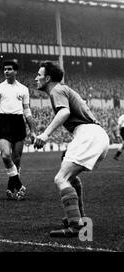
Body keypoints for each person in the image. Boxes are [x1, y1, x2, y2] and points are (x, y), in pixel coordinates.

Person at [34, 61, 109, 237]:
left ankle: (76, 226)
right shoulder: (63, 90)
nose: (35, 77)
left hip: (88, 134)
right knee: (68, 172)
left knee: (61, 178)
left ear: (48, 78)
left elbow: (64, 113)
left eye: (39, 74)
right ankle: (79, 218)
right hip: (96, 135)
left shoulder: (57, 90)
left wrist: (45, 135)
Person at [0, 60, 36, 200]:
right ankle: (20, 186)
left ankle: (10, 188)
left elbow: (27, 110)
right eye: (5, 69)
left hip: (18, 122)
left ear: (15, 71)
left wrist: (33, 131)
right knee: (6, 155)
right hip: (3, 122)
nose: (6, 71)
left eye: (9, 69)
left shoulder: (23, 89)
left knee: (17, 158)